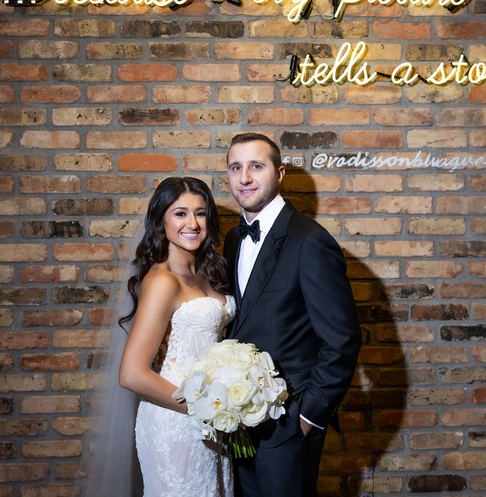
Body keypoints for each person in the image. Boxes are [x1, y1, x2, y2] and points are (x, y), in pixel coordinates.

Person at [223, 132, 362, 496]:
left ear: (280, 174)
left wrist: (308, 415)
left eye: (256, 166)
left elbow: (343, 339)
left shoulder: (310, 240)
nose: (244, 178)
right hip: (238, 419)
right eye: (235, 168)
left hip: (289, 418)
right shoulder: (233, 239)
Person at [113, 176, 236, 495]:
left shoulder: (208, 272)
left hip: (211, 419)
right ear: (161, 221)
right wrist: (203, 408)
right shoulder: (162, 281)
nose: (192, 223)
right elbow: (131, 374)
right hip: (176, 419)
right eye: (180, 213)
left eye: (200, 213)